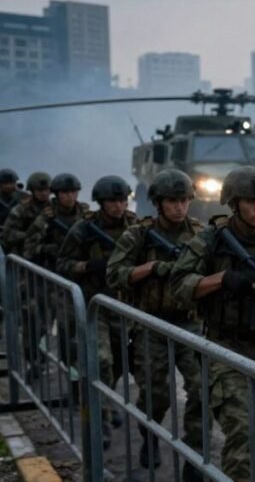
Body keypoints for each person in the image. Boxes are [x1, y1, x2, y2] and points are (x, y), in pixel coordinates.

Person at [169, 166, 255, 482]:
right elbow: (179, 285)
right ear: (234, 203)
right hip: (225, 347)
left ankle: (252, 473)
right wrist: (221, 280)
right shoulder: (211, 239)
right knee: (242, 428)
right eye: (251, 201)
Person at [106, 169, 203, 471]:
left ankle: (196, 454)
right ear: (159, 203)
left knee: (203, 390)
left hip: (190, 324)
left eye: (184, 200)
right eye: (172, 201)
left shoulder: (201, 234)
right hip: (151, 325)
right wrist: (149, 269)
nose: (179, 207)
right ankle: (150, 437)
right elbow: (114, 275)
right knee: (155, 394)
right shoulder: (139, 234)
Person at [56, 175, 137, 446]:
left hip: (124, 307)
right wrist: (88, 266)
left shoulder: (135, 227)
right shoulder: (84, 229)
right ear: (101, 203)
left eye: (123, 200)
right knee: (101, 360)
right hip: (95, 306)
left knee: (117, 364)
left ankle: (103, 402)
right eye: (113, 201)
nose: (119, 206)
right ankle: (98, 419)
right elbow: (63, 263)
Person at [24, 173, 88, 269]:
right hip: (53, 268)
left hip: (79, 265)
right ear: (57, 194)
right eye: (65, 192)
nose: (70, 196)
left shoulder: (85, 214)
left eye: (73, 192)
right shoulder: (47, 216)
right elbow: (29, 247)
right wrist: (46, 249)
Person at [3, 172, 51, 255]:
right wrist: (31, 232)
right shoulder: (21, 209)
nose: (44, 193)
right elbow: (7, 236)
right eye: (39, 190)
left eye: (47, 190)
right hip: (24, 255)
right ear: (32, 191)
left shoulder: (55, 207)